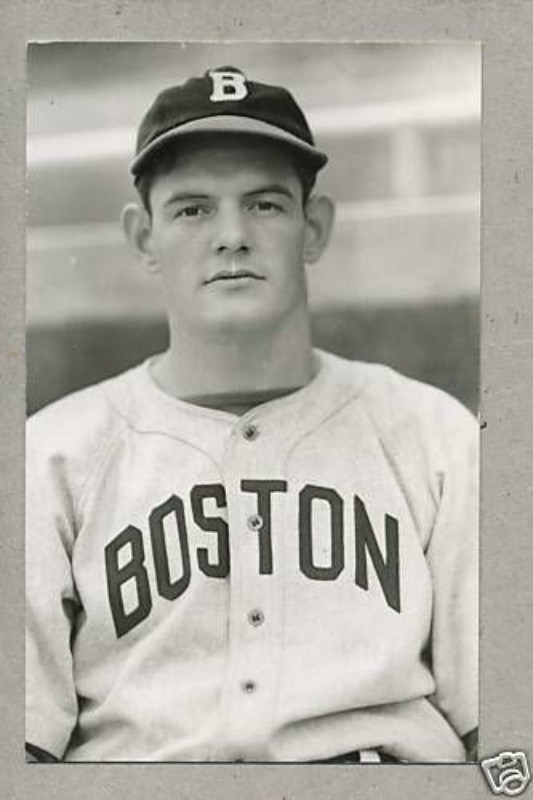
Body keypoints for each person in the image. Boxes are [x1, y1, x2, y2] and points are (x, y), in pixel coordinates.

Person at [26, 66, 478, 764]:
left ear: (313, 228)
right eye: (192, 210)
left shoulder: (435, 435)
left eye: (265, 204)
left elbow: (505, 729)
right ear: (143, 237)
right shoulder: (52, 455)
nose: (232, 235)